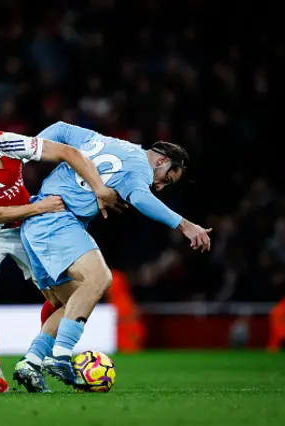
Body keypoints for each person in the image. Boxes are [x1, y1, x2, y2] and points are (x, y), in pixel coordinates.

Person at [13, 121, 212, 392]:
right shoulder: (139, 169)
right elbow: (141, 199)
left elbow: (60, 129)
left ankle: (31, 362)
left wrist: (26, 154)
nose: (162, 186)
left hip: (36, 219)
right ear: (162, 160)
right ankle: (60, 356)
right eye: (167, 178)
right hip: (57, 219)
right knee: (99, 279)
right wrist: (186, 226)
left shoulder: (110, 142)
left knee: (73, 302)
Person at [0, 102, 124, 394]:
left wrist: (98, 187)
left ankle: (34, 364)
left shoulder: (6, 142)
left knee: (67, 300)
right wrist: (39, 207)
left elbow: (67, 152)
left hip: (28, 229)